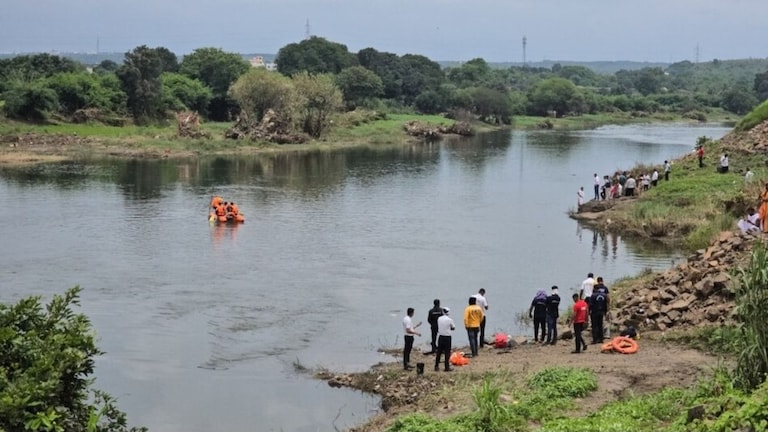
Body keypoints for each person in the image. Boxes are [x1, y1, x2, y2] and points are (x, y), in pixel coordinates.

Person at [590, 277, 610, 344]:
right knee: (600, 325)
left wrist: (589, 311)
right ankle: (601, 339)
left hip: (594, 312)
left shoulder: (593, 295)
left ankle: (595, 339)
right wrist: (606, 310)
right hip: (601, 311)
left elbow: (591, 304)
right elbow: (606, 302)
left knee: (594, 326)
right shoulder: (604, 295)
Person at [435, 307, 455, 372]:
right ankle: (446, 367)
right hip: (447, 337)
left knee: (439, 352)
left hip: (441, 336)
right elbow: (453, 327)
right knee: (447, 352)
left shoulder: (439, 319)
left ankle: (436, 366)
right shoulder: (450, 320)